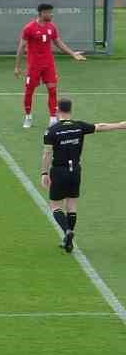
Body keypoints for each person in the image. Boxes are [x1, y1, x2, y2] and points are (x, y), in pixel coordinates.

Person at [40, 98, 126, 253]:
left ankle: (67, 231)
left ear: (58, 110)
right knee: (71, 205)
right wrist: (121, 125)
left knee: (55, 205)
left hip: (59, 171)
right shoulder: (79, 126)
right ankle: (69, 242)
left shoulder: (51, 131)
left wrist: (44, 172)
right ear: (70, 110)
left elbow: (47, 153)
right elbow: (100, 126)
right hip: (76, 171)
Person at [17, 2, 86, 129]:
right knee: (29, 92)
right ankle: (28, 117)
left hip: (48, 65)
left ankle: (53, 119)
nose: (51, 14)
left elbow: (58, 42)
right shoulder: (29, 28)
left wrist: (72, 54)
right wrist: (17, 67)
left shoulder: (51, 27)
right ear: (41, 13)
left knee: (52, 90)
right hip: (34, 66)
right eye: (48, 12)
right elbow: (21, 47)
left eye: (51, 12)